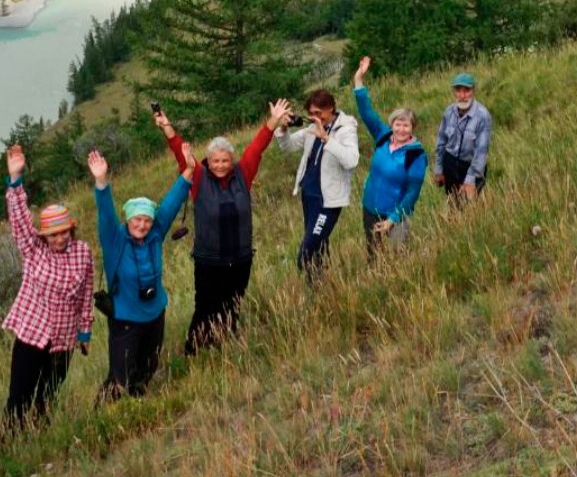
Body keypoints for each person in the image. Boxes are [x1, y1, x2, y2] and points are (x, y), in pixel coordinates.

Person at [154, 98, 293, 352]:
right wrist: (167, 127)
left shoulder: (244, 173)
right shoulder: (198, 178)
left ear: (232, 160)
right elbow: (179, 151)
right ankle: (194, 351)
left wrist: (273, 121)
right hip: (209, 261)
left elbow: (258, 146)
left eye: (225, 161)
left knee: (233, 305)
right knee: (206, 307)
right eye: (215, 161)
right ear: (208, 161)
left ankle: (222, 346)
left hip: (240, 259)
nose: (220, 166)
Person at [0, 143, 93, 436]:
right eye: (53, 234)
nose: (59, 238)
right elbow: (20, 221)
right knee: (19, 398)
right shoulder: (34, 249)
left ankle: (41, 440)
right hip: (32, 336)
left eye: (64, 231)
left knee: (47, 397)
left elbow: (86, 293)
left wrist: (85, 331)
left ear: (71, 230)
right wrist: (16, 180)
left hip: (63, 340)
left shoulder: (82, 252)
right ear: (45, 235)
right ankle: (8, 447)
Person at [88, 145, 193, 398]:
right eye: (137, 219)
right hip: (126, 319)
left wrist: (189, 171)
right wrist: (101, 181)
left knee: (147, 367)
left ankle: (137, 404)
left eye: (147, 219)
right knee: (119, 375)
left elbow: (170, 203)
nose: (142, 225)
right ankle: (105, 415)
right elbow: (105, 215)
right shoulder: (115, 240)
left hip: (154, 313)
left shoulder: (156, 233)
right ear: (128, 219)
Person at [275, 86, 360, 278]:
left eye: (318, 113)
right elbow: (287, 147)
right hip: (309, 195)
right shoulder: (311, 128)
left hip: (328, 201)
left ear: (331, 108)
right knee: (319, 245)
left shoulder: (345, 129)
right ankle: (321, 287)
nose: (315, 117)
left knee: (307, 251)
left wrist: (327, 138)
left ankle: (317, 279)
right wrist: (283, 128)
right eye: (311, 113)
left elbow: (352, 160)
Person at [349, 56, 428, 257]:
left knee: (398, 256)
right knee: (373, 254)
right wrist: (359, 80)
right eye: (397, 124)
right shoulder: (383, 136)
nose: (401, 129)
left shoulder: (416, 155)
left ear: (412, 128)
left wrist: (392, 219)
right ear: (391, 125)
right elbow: (367, 113)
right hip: (370, 207)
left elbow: (412, 194)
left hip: (396, 214)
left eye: (406, 125)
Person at [434, 71, 492, 205]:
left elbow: (481, 152)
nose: (462, 95)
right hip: (450, 163)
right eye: (458, 91)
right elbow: (441, 142)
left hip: (470, 166)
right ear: (453, 92)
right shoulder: (449, 112)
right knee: (452, 205)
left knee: (468, 208)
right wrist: (439, 169)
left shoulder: (482, 116)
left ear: (473, 91)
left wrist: (470, 180)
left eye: (467, 90)